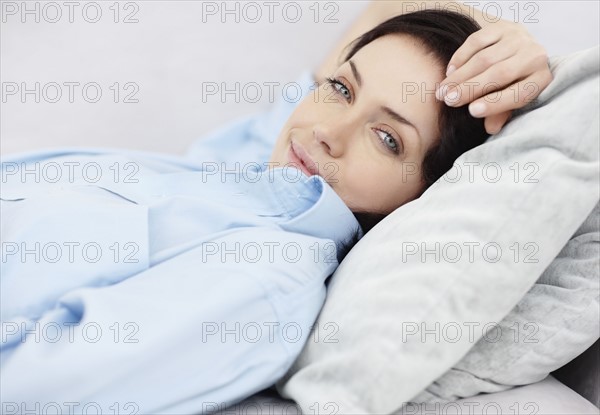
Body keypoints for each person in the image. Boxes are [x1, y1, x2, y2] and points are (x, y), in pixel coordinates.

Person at [0, 4, 552, 414]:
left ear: (426, 192)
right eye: (341, 88)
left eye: (388, 139)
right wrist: (499, 40)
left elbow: (35, 391)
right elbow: (392, 16)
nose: (328, 130)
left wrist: (538, 76)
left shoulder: (260, 279)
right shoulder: (267, 166)